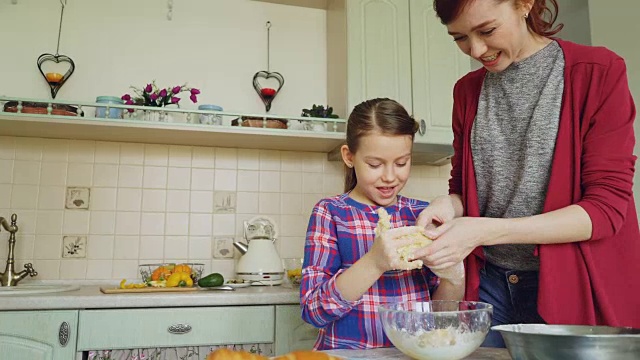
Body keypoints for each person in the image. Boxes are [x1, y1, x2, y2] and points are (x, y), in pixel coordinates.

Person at [412, 0, 640, 348]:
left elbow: (605, 211)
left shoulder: (598, 71)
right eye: (459, 38)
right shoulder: (467, 92)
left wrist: (484, 231)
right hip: (488, 286)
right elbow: (462, 186)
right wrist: (449, 206)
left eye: (487, 30)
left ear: (524, 4)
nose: (476, 50)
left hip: (572, 284)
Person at [300, 98, 465, 350]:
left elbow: (439, 319)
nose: (389, 176)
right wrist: (374, 262)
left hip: (412, 356)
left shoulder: (421, 215)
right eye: (375, 164)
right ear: (349, 156)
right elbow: (314, 311)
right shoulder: (331, 213)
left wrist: (454, 278)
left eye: (401, 163)